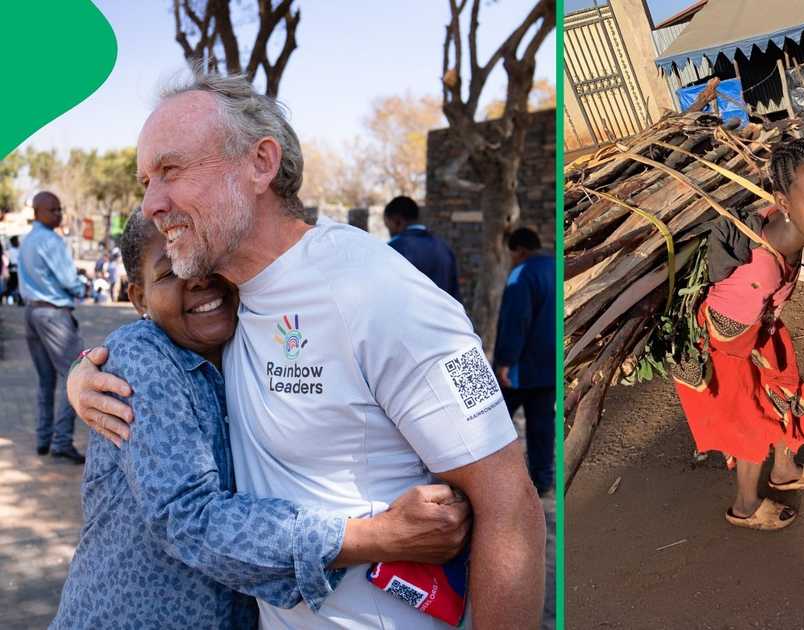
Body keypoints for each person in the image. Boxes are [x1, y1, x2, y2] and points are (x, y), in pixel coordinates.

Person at [68, 68, 545, 628]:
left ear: (261, 163)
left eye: (170, 170)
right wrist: (89, 372)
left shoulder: (377, 293)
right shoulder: (232, 303)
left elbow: (511, 507)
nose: (151, 202)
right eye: (146, 179)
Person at [53, 212, 470, 629]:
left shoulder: (247, 338)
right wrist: (380, 536)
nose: (196, 278)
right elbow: (188, 517)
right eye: (170, 271)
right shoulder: (142, 356)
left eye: (203, 260)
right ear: (139, 299)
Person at [673, 140, 804, 530]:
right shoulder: (760, 272)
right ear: (784, 202)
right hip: (725, 349)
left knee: (784, 392)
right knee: (753, 422)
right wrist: (762, 363)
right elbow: (726, 335)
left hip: (755, 330)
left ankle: (784, 471)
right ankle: (745, 506)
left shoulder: (785, 231)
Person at [19, 192, 86, 463]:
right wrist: (81, 287)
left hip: (31, 313)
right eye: (53, 210)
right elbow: (69, 280)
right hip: (54, 314)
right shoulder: (50, 240)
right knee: (75, 374)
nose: (58, 214)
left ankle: (43, 439)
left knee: (46, 380)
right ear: (37, 212)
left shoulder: (27, 241)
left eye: (60, 209)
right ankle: (61, 441)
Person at [494, 227, 556, 495]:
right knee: (542, 426)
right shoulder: (555, 267)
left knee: (493, 421)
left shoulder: (522, 275)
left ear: (518, 250)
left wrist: (505, 362)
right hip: (549, 365)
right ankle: (542, 480)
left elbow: (515, 322)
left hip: (522, 368)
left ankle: (495, 476)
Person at [383, 195, 462, 300]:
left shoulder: (393, 250)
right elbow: (455, 295)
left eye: (388, 226)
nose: (389, 232)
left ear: (398, 222)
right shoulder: (444, 247)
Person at [3, 234, 23, 305]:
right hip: (14, 271)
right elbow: (13, 262)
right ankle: (9, 299)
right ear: (13, 242)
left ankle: (20, 300)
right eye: (17, 241)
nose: (18, 242)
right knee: (13, 286)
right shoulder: (11, 251)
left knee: (17, 286)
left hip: (18, 271)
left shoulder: (18, 250)